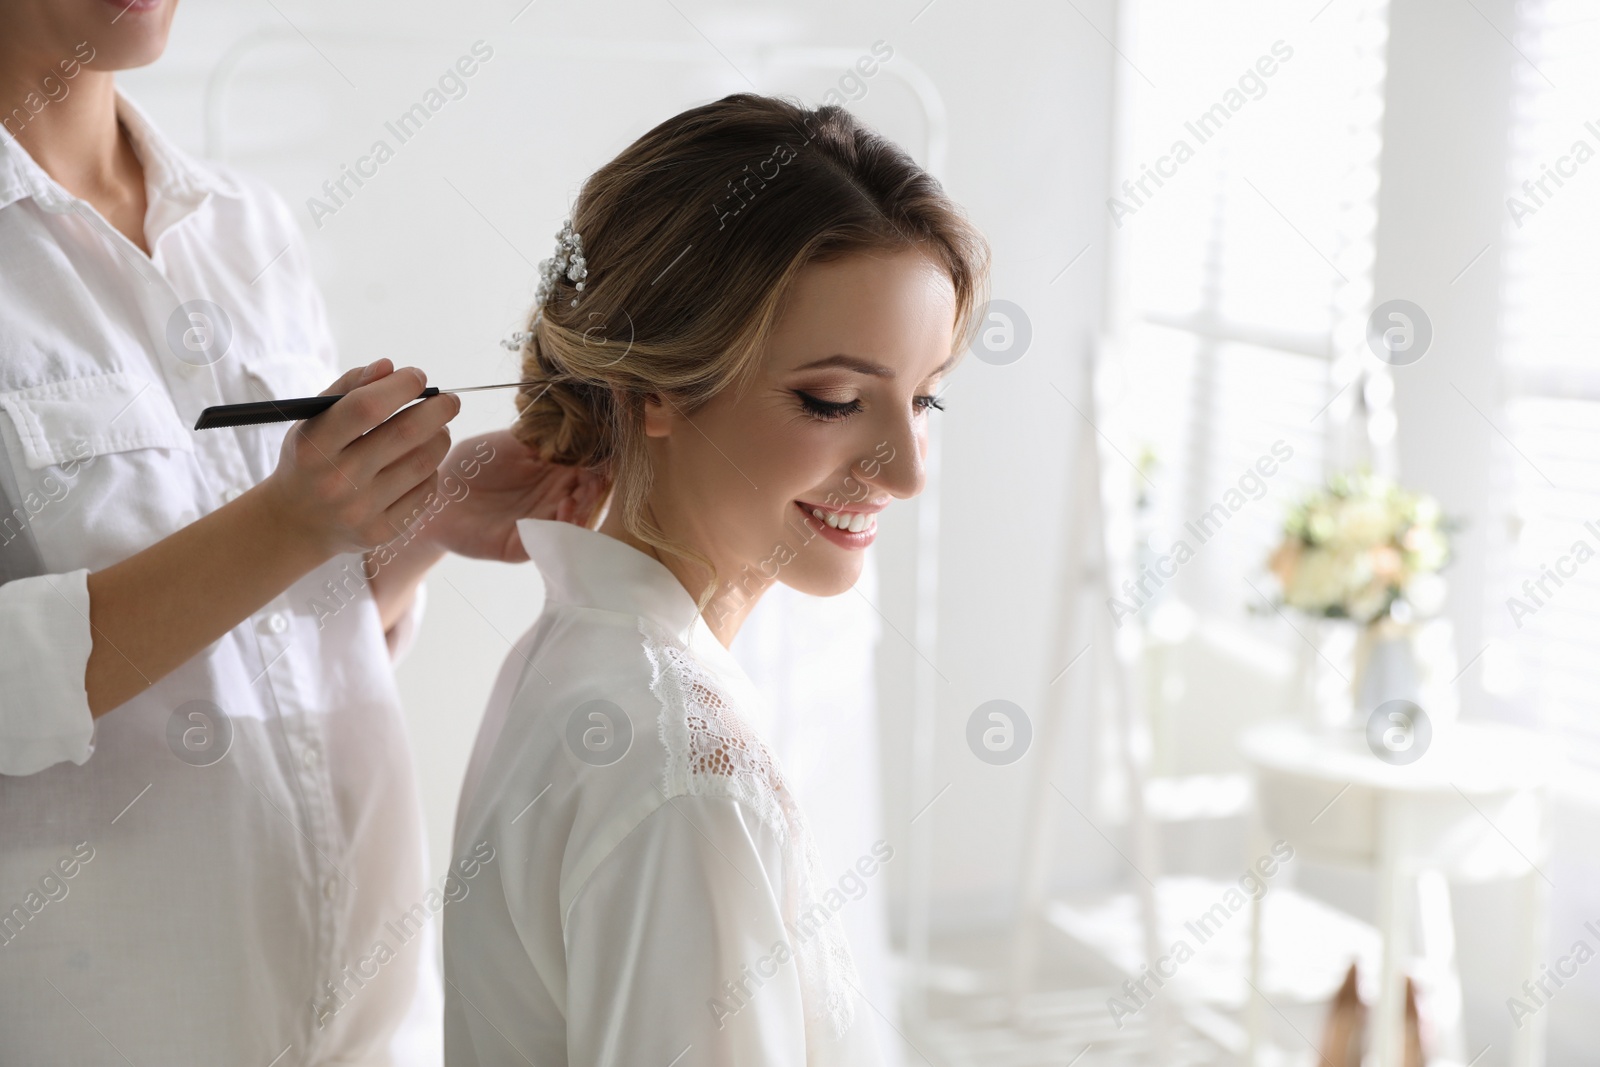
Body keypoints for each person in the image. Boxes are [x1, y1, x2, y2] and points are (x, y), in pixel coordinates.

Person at [0, 2, 604, 1063]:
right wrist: (284, 526)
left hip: (372, 1023)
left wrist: (415, 519)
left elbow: (263, 636)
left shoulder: (247, 228)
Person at [443, 94, 989, 1065]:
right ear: (655, 388)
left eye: (925, 395)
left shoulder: (572, 655)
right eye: (833, 400)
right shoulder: (685, 772)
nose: (907, 470)